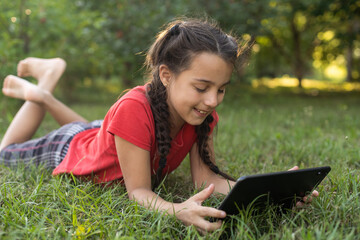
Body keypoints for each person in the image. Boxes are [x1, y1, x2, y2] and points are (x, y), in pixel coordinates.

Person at [0, 19, 318, 233]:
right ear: (166, 75)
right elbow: (138, 191)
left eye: (221, 89)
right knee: (4, 153)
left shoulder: (199, 113)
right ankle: (40, 92)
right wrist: (174, 209)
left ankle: (45, 88)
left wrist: (272, 190)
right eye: (202, 87)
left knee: (97, 133)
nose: (212, 100)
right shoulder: (133, 111)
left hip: (110, 136)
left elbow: (205, 179)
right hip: (68, 147)